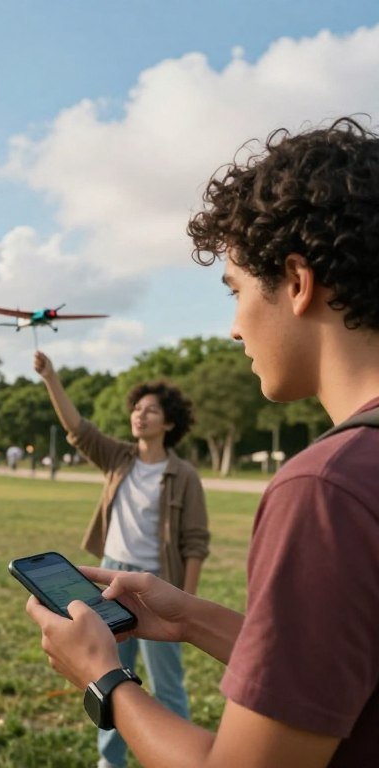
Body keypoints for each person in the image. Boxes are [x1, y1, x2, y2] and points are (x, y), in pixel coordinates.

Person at [26, 118, 379, 768]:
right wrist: (191, 619)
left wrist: (104, 679)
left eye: (237, 291)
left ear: (297, 284)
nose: (235, 328)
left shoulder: (325, 489)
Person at [34, 353, 209, 768]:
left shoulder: (183, 475)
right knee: (106, 676)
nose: (139, 414)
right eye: (136, 407)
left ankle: (177, 758)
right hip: (112, 579)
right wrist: (50, 378)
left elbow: (196, 543)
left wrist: (187, 599)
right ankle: (110, 761)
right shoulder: (119, 458)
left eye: (151, 410)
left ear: (168, 423)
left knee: (166, 685)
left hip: (159, 585)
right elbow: (78, 430)